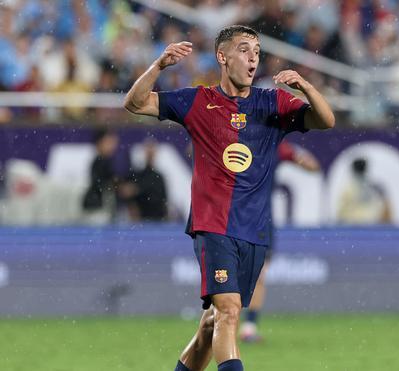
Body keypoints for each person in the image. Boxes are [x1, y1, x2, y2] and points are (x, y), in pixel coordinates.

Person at [123, 25, 335, 371]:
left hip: (253, 230)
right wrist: (159, 66)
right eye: (243, 49)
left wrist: (306, 86)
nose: (253, 58)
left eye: (257, 51)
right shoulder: (198, 101)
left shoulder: (273, 103)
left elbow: (325, 120)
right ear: (223, 56)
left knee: (212, 323)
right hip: (213, 226)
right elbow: (134, 103)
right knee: (229, 311)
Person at [238, 139, 321, 343]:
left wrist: (296, 156)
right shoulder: (234, 137)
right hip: (234, 217)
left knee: (259, 273)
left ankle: (248, 327)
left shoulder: (274, 143)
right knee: (230, 274)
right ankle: (223, 326)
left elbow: (313, 166)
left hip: (259, 219)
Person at [122, 138, 168, 222]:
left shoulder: (159, 177)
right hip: (141, 219)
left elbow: (164, 200)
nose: (150, 155)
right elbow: (126, 192)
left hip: (157, 219)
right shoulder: (136, 175)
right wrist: (132, 207)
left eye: (152, 152)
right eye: (148, 152)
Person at [81, 128, 120, 225]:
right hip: (96, 208)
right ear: (99, 143)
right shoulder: (99, 162)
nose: (112, 146)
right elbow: (100, 183)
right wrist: (116, 184)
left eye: (113, 143)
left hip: (101, 206)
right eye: (108, 142)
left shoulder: (107, 161)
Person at [337, 157, 390, 224]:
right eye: (359, 170)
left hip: (371, 227)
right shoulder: (347, 190)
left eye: (361, 170)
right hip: (353, 227)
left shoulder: (375, 189)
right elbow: (341, 214)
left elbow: (386, 214)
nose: (360, 175)